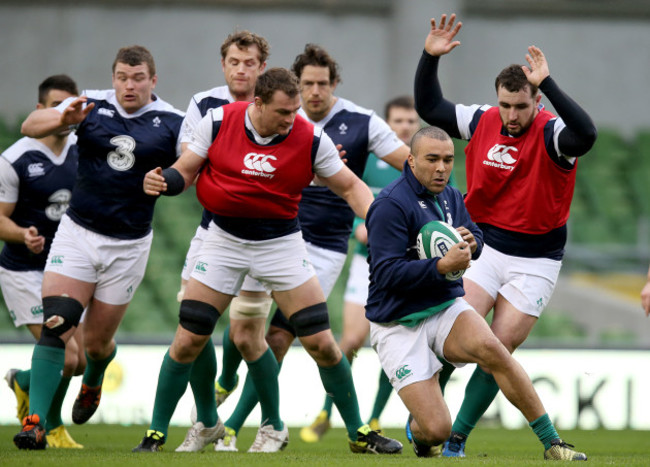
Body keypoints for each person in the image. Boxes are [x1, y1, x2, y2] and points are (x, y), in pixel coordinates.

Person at [133, 67, 403, 455]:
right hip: (223, 239)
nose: (293, 119)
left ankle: (359, 432)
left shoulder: (309, 137)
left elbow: (350, 186)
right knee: (190, 335)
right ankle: (156, 434)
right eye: (284, 112)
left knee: (321, 342)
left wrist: (377, 225)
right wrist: (162, 181)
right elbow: (185, 171)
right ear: (256, 103)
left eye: (295, 111)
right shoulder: (218, 121)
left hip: (281, 244)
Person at [209, 45, 410, 452]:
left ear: (335, 84)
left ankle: (235, 426)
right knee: (243, 327)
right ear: (295, 86)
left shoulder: (360, 122)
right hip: (273, 233)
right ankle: (228, 382)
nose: (315, 92)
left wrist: (408, 210)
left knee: (282, 338)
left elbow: (411, 162)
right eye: (307, 84)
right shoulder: (281, 116)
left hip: (323, 246)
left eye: (323, 83)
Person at [413, 14, 597, 457]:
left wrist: (548, 82)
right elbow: (430, 108)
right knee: (457, 335)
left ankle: (455, 438)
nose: (512, 115)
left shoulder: (553, 133)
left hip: (538, 258)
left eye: (521, 106)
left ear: (536, 101)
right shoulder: (481, 119)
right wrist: (429, 58)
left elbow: (586, 134)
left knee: (500, 345)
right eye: (506, 106)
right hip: (485, 248)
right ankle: (426, 415)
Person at [366, 125, 587, 461]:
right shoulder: (390, 205)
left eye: (447, 159)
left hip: (442, 307)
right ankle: (422, 433)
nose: (441, 168)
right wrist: (440, 267)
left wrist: (474, 244)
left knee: (495, 350)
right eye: (432, 159)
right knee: (436, 429)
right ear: (410, 161)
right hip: (397, 323)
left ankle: (552, 443)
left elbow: (475, 235)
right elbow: (384, 274)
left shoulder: (452, 197)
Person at [13, 46, 184, 450]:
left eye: (138, 77)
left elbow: (192, 167)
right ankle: (35, 423)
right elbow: (28, 125)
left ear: (153, 80)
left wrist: (169, 181)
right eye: (123, 77)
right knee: (57, 323)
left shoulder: (173, 122)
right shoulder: (89, 104)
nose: (130, 85)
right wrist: (60, 117)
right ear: (113, 78)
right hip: (77, 232)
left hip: (128, 245)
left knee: (95, 345)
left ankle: (93, 377)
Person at [301, 96, 421, 442]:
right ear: (387, 123)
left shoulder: (426, 164)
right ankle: (327, 411)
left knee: (394, 345)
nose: (405, 127)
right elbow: (347, 193)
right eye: (398, 121)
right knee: (351, 339)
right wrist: (358, 224)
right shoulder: (370, 161)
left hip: (405, 263)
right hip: (363, 261)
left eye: (411, 121)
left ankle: (375, 418)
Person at [1, 75, 85, 449]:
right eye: (56, 107)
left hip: (67, 267)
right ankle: (49, 425)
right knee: (66, 356)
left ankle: (23, 382)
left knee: (79, 361)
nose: (64, 115)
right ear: (40, 111)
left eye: (70, 106)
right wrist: (23, 234)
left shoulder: (85, 149)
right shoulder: (16, 158)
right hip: (23, 270)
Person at [177, 30, 269, 301]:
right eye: (234, 62)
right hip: (213, 226)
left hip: (265, 233)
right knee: (189, 309)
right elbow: (188, 162)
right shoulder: (204, 102)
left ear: (262, 67)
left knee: (247, 332)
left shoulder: (275, 106)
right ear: (223, 64)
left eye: (249, 63)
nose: (241, 70)